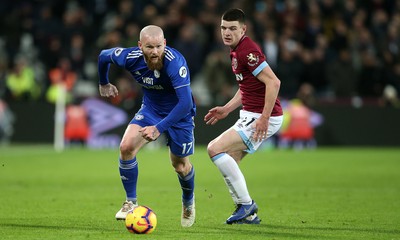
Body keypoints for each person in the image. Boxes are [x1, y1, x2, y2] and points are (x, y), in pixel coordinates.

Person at [98, 25, 196, 227]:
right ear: (140, 45)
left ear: (165, 44)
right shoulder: (130, 57)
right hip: (151, 110)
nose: (155, 52)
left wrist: (159, 128)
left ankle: (188, 201)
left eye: (159, 46)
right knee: (126, 147)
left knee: (180, 166)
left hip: (180, 114)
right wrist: (104, 82)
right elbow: (104, 55)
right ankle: (131, 203)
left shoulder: (175, 63)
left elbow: (185, 103)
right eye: (149, 47)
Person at [204, 9, 283, 224]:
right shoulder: (236, 51)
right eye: (223, 28)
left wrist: (264, 118)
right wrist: (227, 109)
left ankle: (246, 204)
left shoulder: (247, 51)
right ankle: (249, 215)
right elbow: (247, 87)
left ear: (243, 29)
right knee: (231, 160)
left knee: (214, 149)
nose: (227, 32)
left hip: (262, 115)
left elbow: (273, 82)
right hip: (251, 113)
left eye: (232, 28)